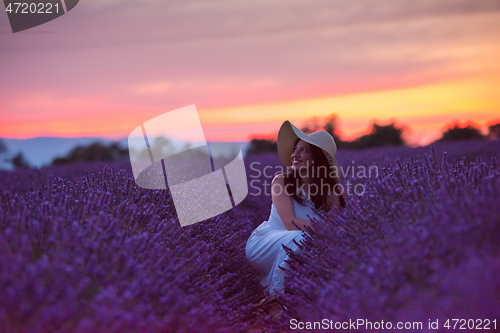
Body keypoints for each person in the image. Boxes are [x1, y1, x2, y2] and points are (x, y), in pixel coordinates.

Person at [245, 120, 346, 318]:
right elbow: (290, 222)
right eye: (295, 149)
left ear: (317, 159)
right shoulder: (281, 181)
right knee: (300, 237)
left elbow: (337, 229)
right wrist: (327, 231)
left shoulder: (332, 192)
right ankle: (275, 299)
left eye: (304, 151)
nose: (295, 155)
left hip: (299, 252)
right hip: (266, 245)